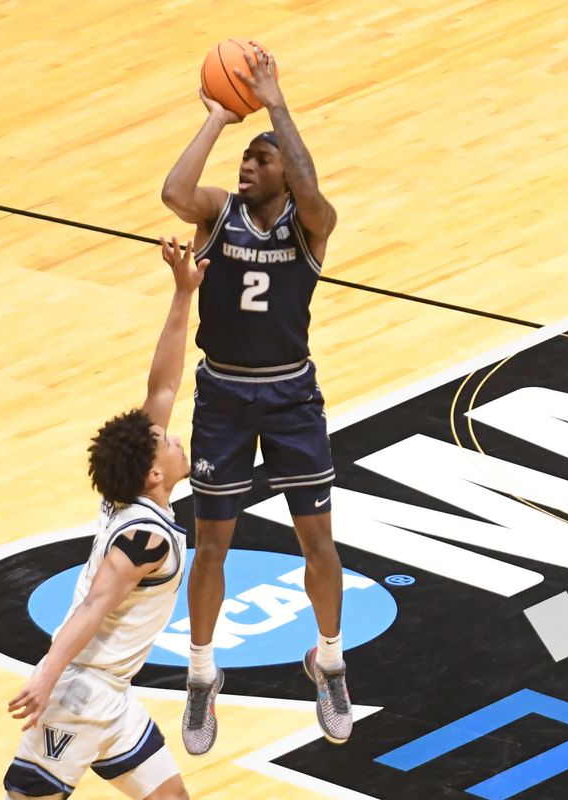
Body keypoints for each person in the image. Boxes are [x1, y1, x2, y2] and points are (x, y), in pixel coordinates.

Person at [160, 42, 350, 753]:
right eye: (246, 159)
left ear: (286, 175)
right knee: (212, 545)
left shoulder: (311, 225)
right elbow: (174, 193)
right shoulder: (217, 216)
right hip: (225, 396)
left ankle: (329, 661)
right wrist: (217, 119)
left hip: (291, 394)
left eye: (259, 159)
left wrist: (274, 103)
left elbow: (309, 185)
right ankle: (203, 676)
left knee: (317, 541)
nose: (247, 166)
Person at [2, 236, 208, 799]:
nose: (173, 435)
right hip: (79, 694)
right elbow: (96, 604)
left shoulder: (132, 497)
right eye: (165, 439)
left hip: (112, 694)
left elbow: (163, 383)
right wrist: (46, 675)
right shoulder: (143, 535)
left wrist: (181, 293)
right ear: (154, 474)